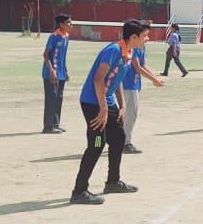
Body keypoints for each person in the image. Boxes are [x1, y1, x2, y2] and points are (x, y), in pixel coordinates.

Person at [69, 19, 151, 204]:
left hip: (108, 102)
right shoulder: (113, 50)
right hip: (93, 103)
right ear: (133, 36)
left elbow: (117, 79)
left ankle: (112, 182)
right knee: (97, 143)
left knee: (119, 138)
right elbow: (98, 80)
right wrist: (103, 110)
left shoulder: (129, 52)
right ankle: (79, 191)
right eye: (145, 36)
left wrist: (121, 106)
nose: (147, 39)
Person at [121, 30, 165, 154]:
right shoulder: (132, 48)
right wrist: (153, 80)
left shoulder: (141, 47)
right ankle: (125, 143)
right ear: (136, 36)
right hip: (127, 84)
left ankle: (120, 141)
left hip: (134, 84)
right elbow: (137, 67)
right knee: (130, 114)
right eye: (145, 35)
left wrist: (155, 78)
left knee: (129, 114)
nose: (147, 38)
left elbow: (143, 64)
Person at [42, 13, 73, 134]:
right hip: (51, 73)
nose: (71, 25)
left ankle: (56, 123)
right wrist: (51, 71)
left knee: (58, 98)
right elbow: (46, 55)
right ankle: (48, 126)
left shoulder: (66, 36)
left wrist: (66, 71)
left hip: (61, 73)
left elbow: (62, 56)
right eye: (69, 22)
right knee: (51, 99)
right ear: (61, 24)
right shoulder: (54, 36)